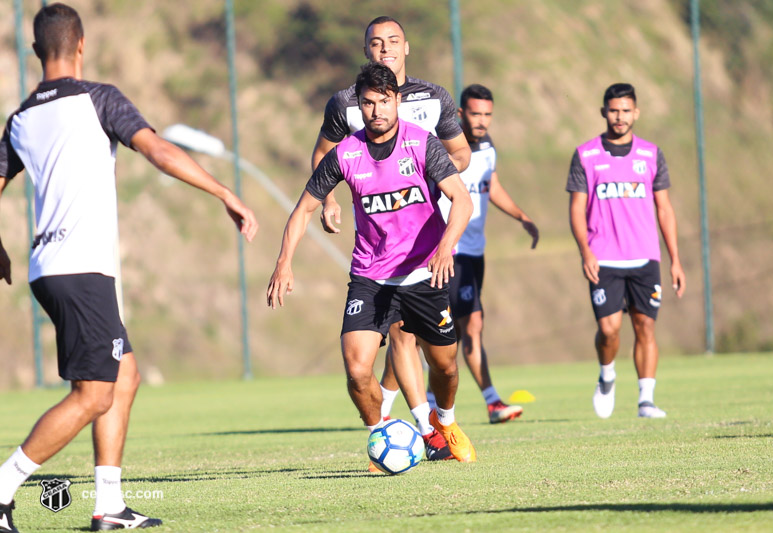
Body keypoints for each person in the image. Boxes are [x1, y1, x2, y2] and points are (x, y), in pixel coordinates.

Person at [0, 4, 258, 532]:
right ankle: (2, 489)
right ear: (82, 44)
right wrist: (223, 190)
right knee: (93, 394)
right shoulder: (98, 99)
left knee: (126, 375)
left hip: (48, 269)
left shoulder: (21, 117)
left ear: (34, 52)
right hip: (82, 268)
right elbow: (158, 150)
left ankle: (110, 506)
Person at [269, 61, 476, 463]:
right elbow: (302, 209)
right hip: (371, 276)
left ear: (397, 100)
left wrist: (446, 245)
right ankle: (380, 437)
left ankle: (445, 422)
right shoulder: (346, 153)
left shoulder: (421, 144)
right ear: (359, 107)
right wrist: (284, 262)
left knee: (446, 368)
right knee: (357, 369)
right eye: (368, 103)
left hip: (423, 272)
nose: (377, 110)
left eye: (384, 101)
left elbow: (462, 199)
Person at [566, 83, 685, 419]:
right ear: (604, 111)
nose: (620, 117)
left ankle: (646, 399)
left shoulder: (651, 154)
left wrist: (675, 260)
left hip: (645, 257)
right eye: (614, 110)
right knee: (609, 330)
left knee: (645, 326)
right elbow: (577, 209)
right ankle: (607, 376)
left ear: (636, 113)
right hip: (603, 257)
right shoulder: (586, 155)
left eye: (626, 110)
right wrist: (585, 251)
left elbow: (664, 209)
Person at [435, 84, 539, 424]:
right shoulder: (442, 148)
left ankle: (430, 398)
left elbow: (490, 185)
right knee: (461, 326)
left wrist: (521, 216)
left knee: (454, 331)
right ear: (460, 114)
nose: (482, 121)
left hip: (474, 254)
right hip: (451, 250)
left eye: (487, 115)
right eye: (475, 114)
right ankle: (491, 402)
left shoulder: (488, 147)